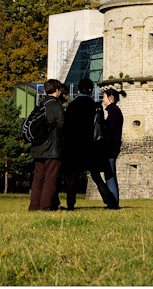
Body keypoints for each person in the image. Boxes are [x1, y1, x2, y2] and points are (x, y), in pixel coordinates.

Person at [62, 78, 118, 210]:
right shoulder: (96, 106)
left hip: (75, 146)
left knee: (72, 177)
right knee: (96, 176)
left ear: (78, 90)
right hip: (92, 146)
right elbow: (100, 126)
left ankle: (70, 204)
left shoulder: (72, 106)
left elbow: (67, 128)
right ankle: (110, 201)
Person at [29, 79, 66, 211]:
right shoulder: (57, 106)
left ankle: (34, 206)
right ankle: (45, 206)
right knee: (50, 179)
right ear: (57, 90)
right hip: (52, 148)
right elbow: (63, 127)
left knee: (38, 179)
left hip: (38, 147)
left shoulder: (40, 105)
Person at [102, 87, 127, 207]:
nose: (103, 99)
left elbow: (110, 131)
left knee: (110, 175)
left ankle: (113, 202)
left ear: (110, 98)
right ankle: (113, 201)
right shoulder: (114, 111)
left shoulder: (114, 112)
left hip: (110, 148)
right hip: (113, 147)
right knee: (109, 174)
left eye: (104, 97)